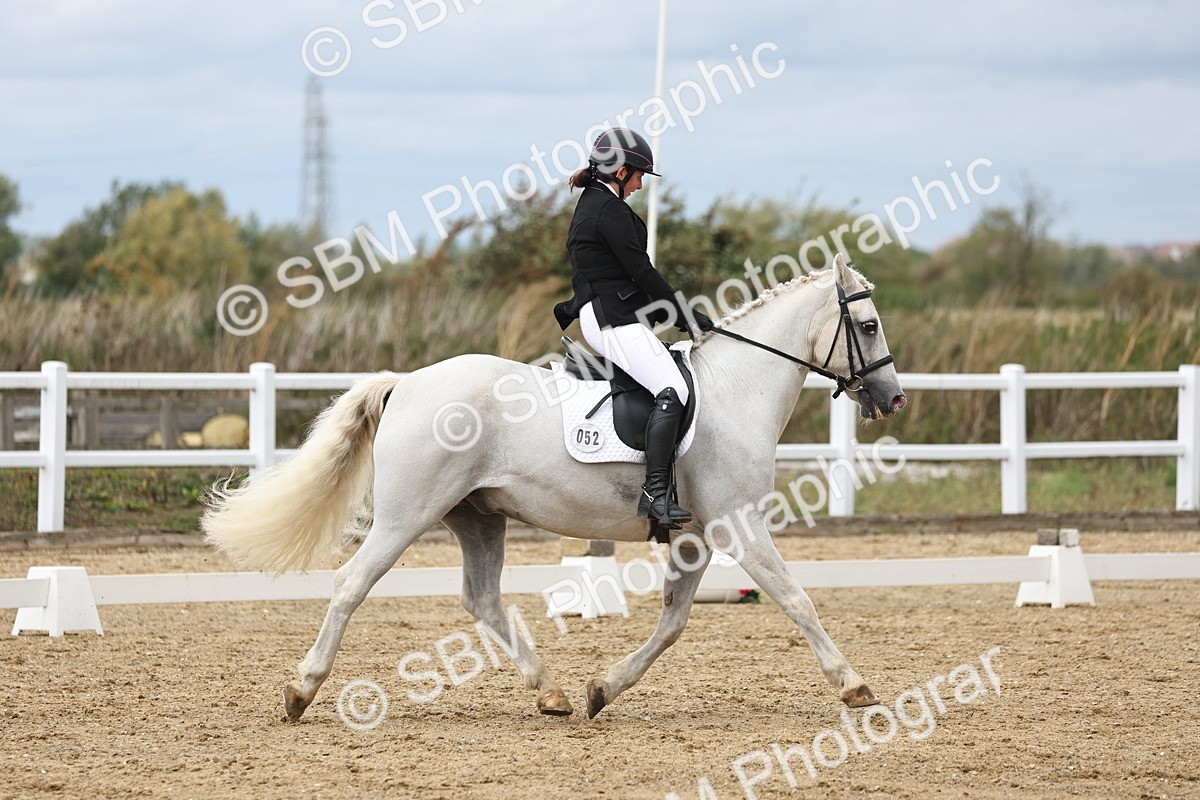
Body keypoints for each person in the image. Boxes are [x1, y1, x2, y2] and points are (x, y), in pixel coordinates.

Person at [553, 127, 715, 528]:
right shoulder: (607, 209)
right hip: (609, 318)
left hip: (611, 311)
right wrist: (683, 313)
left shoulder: (597, 204)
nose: (642, 184)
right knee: (673, 389)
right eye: (640, 175)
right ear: (621, 172)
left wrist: (665, 311)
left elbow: (617, 276)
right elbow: (641, 271)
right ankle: (655, 493)